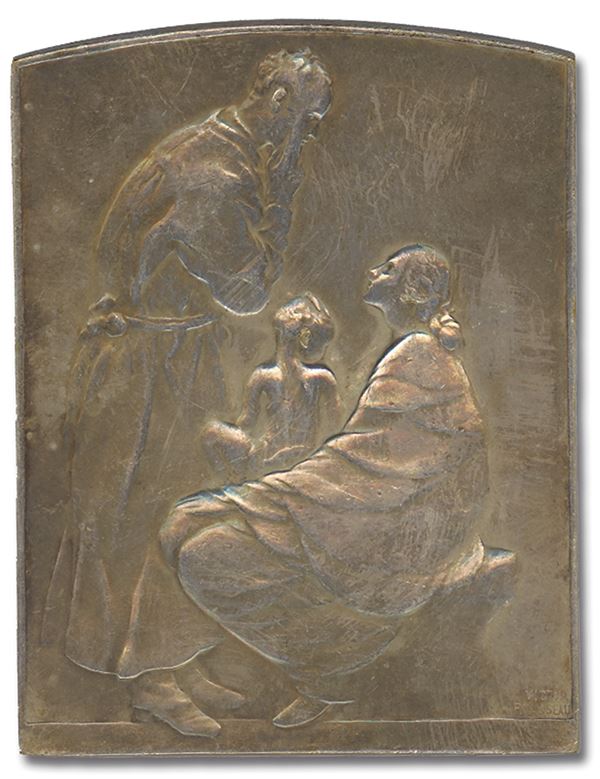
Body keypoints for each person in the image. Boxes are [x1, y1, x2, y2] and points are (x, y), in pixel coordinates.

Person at [42, 49, 332, 737]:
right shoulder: (217, 174)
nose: (311, 134)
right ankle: (148, 680)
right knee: (141, 510)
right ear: (280, 104)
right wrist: (284, 193)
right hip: (146, 366)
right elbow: (249, 289)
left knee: (184, 503)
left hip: (175, 349)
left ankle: (175, 658)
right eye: (310, 119)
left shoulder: (216, 144)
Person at [160, 244, 491, 729]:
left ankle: (330, 670)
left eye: (389, 269)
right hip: (357, 508)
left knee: (200, 552)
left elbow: (362, 465)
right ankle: (327, 667)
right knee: (194, 539)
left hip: (389, 528)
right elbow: (357, 457)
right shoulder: (410, 353)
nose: (373, 269)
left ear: (412, 291)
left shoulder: (417, 354)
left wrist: (262, 498)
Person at [203, 292, 341, 481]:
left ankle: (231, 480)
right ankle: (235, 481)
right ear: (305, 337)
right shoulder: (322, 378)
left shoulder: (263, 377)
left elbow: (247, 424)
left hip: (267, 458)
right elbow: (336, 427)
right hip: (303, 457)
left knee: (211, 432)